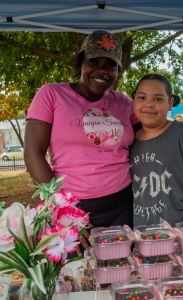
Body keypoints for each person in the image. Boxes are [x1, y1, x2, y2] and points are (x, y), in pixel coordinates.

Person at [24, 30, 140, 256]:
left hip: (124, 207)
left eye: (110, 65)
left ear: (117, 71)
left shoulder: (123, 102)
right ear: (80, 63)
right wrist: (65, 214)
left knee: (121, 278)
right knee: (78, 280)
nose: (101, 70)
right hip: (74, 209)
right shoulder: (51, 94)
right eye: (93, 61)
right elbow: (33, 154)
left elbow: (152, 137)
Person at [130, 74, 183, 227]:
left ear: (170, 103)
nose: (149, 104)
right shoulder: (128, 138)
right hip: (146, 236)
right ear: (134, 100)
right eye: (142, 98)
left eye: (158, 99)